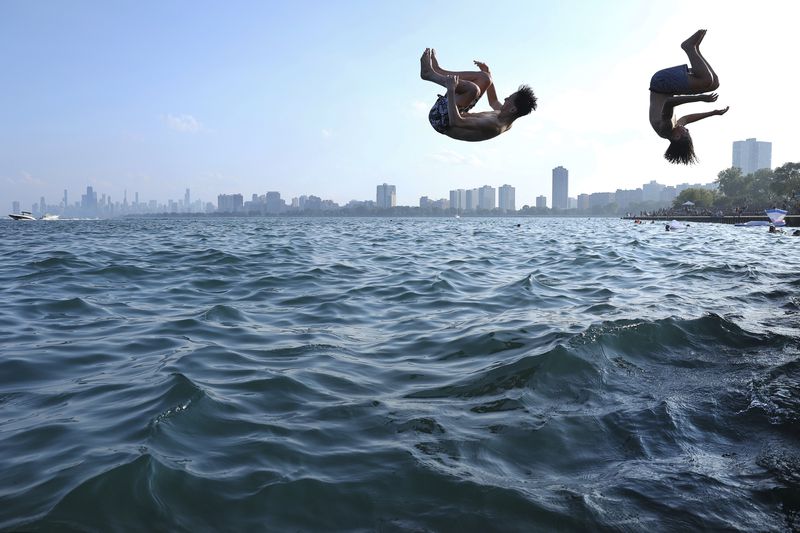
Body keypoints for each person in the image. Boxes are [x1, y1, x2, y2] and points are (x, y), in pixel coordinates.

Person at [420, 48, 537, 142]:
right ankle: (437, 70)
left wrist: (451, 90)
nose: (505, 98)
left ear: (512, 109)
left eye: (509, 99)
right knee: (485, 78)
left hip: (441, 121)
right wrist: (488, 74)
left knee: (473, 89)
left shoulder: (494, 125)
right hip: (455, 112)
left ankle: (429, 74)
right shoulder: (505, 114)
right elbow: (493, 101)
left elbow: (456, 122)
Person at [649, 30, 729, 164]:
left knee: (705, 80)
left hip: (661, 82)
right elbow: (687, 119)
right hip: (667, 87)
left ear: (677, 136)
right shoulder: (672, 130)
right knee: (714, 83)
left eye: (686, 132)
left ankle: (689, 47)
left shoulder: (665, 127)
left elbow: (669, 102)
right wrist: (713, 113)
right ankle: (696, 49)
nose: (687, 129)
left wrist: (700, 98)